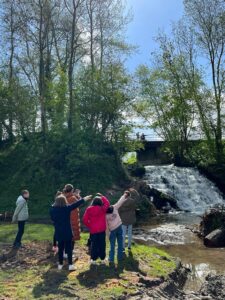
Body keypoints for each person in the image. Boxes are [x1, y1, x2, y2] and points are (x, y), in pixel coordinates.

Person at [50, 193, 92, 271]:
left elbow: (53, 219)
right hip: (67, 232)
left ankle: (60, 264)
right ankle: (70, 265)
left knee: (61, 249)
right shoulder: (67, 208)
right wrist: (84, 198)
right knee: (69, 249)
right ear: (64, 201)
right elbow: (76, 204)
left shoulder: (52, 210)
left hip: (59, 232)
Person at [83, 194, 110, 264]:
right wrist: (102, 196)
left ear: (93, 202)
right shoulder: (103, 209)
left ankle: (93, 259)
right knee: (102, 244)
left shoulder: (89, 209)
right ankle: (103, 259)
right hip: (101, 230)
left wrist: (90, 226)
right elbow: (107, 203)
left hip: (93, 230)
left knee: (94, 244)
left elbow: (84, 220)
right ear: (100, 202)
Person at [106, 191, 130, 264]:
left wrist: (107, 235)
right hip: (119, 227)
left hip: (112, 230)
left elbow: (106, 226)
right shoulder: (114, 207)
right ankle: (120, 258)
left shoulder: (104, 215)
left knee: (112, 245)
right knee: (120, 243)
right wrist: (124, 195)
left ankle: (111, 259)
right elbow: (120, 201)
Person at [63, 184, 81, 254]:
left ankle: (65, 252)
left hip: (65, 219)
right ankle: (70, 252)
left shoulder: (63, 197)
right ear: (72, 190)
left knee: (65, 237)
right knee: (72, 237)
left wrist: (75, 194)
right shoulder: (73, 198)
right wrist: (78, 194)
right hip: (73, 219)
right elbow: (79, 202)